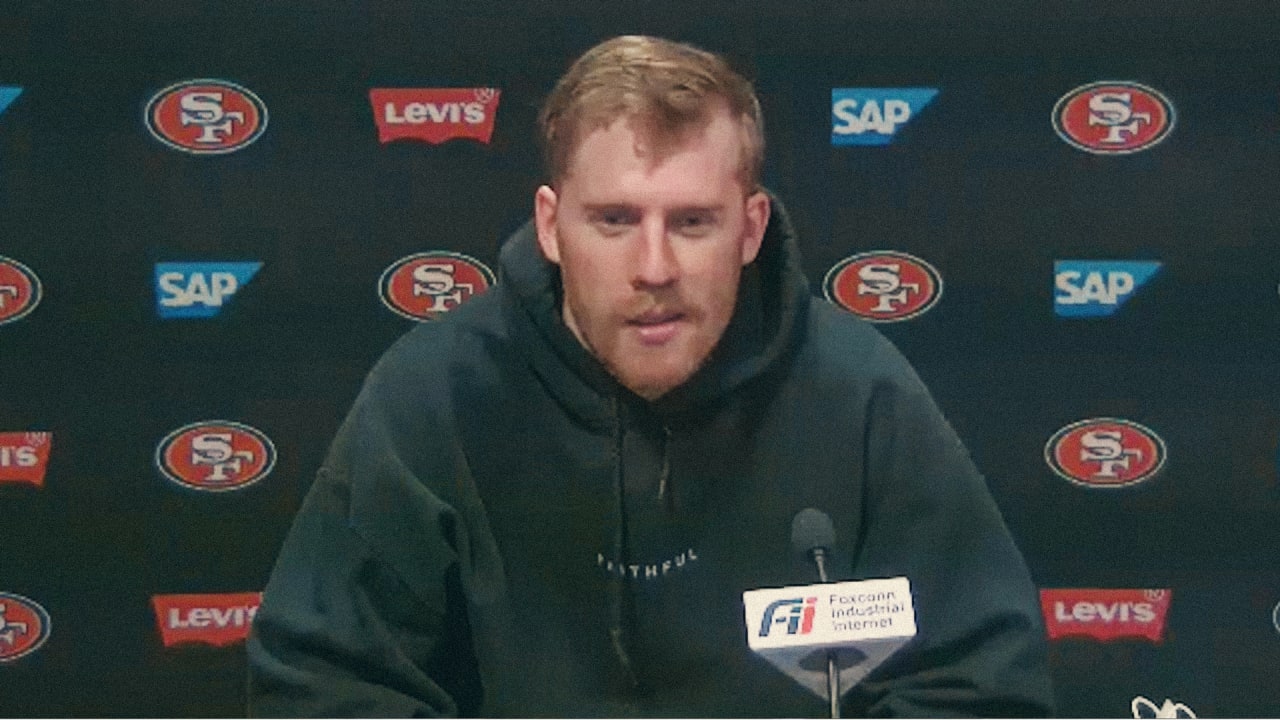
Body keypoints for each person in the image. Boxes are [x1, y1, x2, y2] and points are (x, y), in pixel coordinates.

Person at [247, 35, 1054, 717]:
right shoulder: (439, 397)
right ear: (551, 225)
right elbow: (323, 687)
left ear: (750, 227)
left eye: (693, 222)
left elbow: (978, 686)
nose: (654, 267)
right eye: (615, 220)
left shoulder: (858, 396)